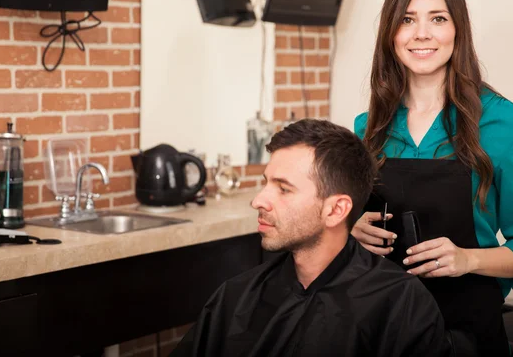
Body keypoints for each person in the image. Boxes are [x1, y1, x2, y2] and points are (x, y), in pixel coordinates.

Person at [351, 0, 513, 356]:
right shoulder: (368, 126)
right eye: (407, 19)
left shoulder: (506, 125)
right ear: (391, 33)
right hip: (382, 328)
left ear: (457, 28)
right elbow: (351, 221)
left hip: (466, 335)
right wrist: (353, 227)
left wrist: (467, 259)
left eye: (438, 18)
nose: (422, 33)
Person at [172, 119, 451, 357]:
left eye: (283, 189)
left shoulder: (400, 304)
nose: (258, 200)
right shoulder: (236, 297)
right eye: (266, 183)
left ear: (336, 210)